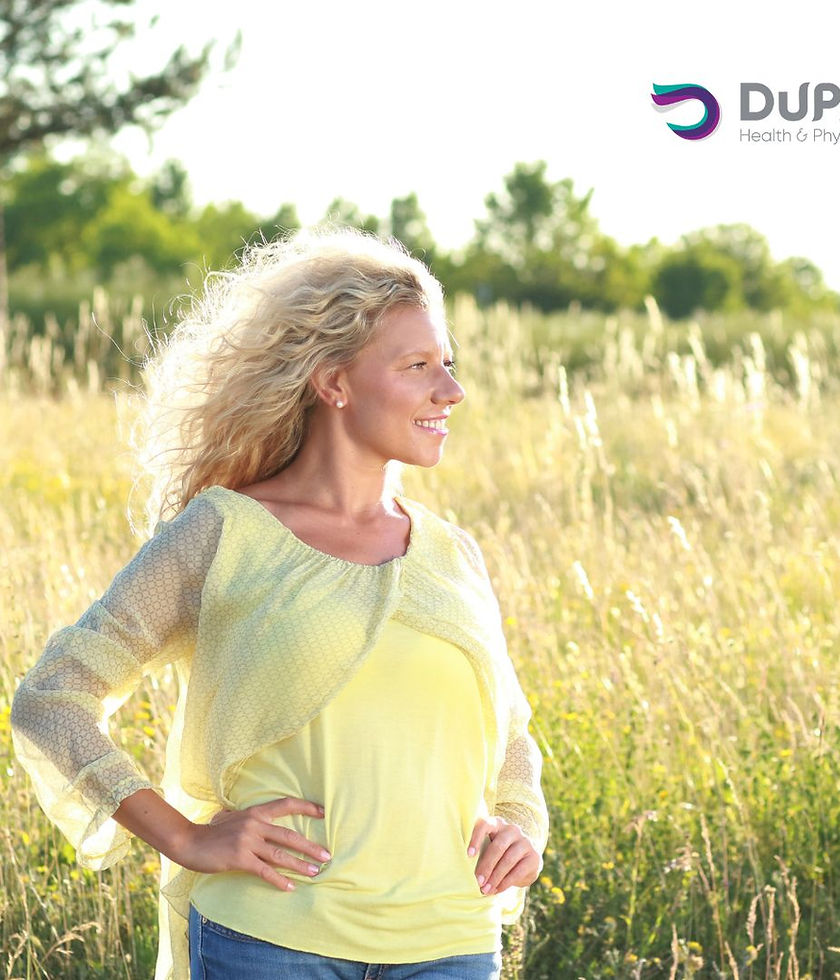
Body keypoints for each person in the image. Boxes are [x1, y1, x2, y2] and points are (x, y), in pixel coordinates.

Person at [10, 228, 548, 980]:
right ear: (334, 383)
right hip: (270, 941)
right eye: (419, 366)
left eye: (449, 365)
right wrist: (185, 838)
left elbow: (511, 728)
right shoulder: (224, 533)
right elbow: (52, 696)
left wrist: (523, 819)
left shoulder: (452, 553)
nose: (451, 391)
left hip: (450, 941)